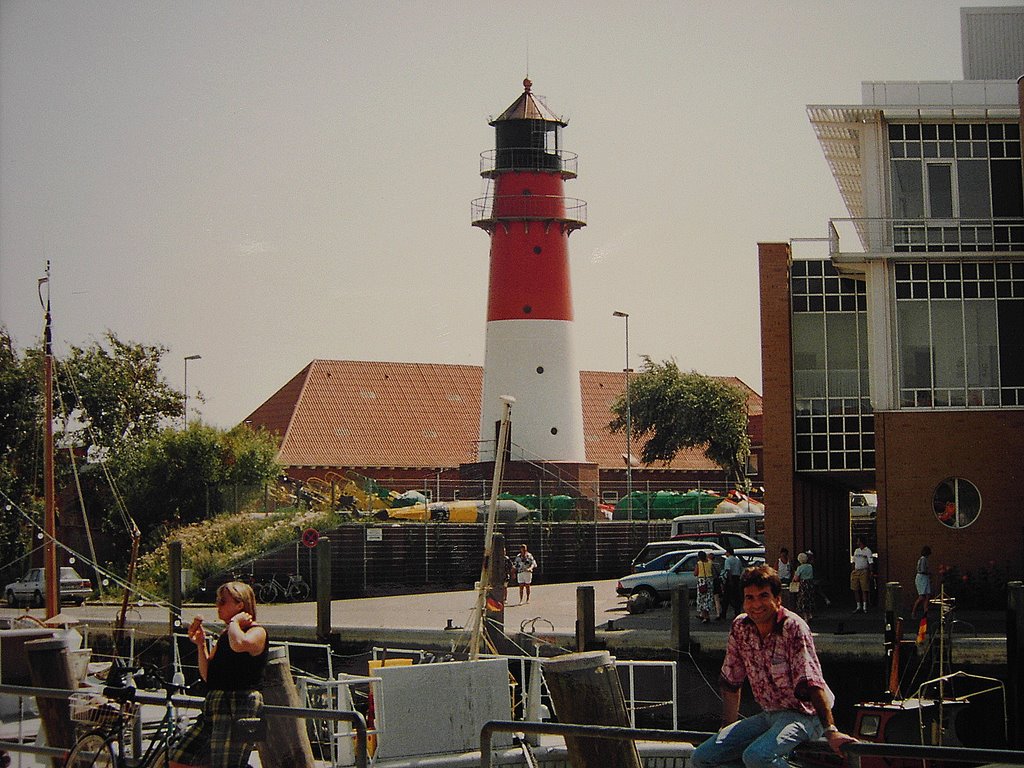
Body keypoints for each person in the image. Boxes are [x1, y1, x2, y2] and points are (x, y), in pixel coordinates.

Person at [690, 565, 856, 768]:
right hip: (769, 713)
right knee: (702, 757)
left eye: (763, 596)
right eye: (749, 598)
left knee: (756, 756)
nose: (756, 604)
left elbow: (812, 682)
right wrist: (726, 728)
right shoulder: (740, 628)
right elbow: (731, 681)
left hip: (805, 715)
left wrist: (830, 730)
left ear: (777, 600)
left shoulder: (793, 627)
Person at [170, 581, 269, 768]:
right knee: (180, 759)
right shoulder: (226, 635)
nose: (218, 606)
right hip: (214, 703)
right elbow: (209, 675)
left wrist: (235, 622)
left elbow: (239, 644)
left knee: (225, 764)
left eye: (223, 601)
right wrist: (200, 644)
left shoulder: (256, 632)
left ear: (240, 605)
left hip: (238, 702)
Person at [720, 547, 744, 620]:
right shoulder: (738, 560)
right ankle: (737, 612)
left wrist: (730, 581)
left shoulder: (727, 560)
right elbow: (741, 570)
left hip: (730, 578)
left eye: (726, 552)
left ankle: (723, 614)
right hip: (737, 578)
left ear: (728, 552)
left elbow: (728, 570)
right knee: (737, 597)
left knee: (726, 598)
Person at [850, 536, 873, 613]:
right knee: (855, 588)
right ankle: (858, 606)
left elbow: (870, 562)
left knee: (864, 589)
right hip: (856, 570)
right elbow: (853, 561)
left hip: (864, 571)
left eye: (858, 541)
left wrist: (871, 572)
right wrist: (853, 570)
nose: (857, 542)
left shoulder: (868, 551)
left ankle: (864, 606)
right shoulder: (856, 551)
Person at [694, 550, 716, 623]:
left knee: (701, 599)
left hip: (701, 582)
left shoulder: (699, 563)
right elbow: (713, 572)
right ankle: (704, 615)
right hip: (709, 581)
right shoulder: (710, 563)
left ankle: (705, 616)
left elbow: (695, 573)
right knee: (708, 598)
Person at [912, 545, 932, 618]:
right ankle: (914, 612)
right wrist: (928, 572)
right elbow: (922, 570)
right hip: (922, 578)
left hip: (925, 577)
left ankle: (925, 612)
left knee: (927, 595)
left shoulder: (925, 559)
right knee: (922, 597)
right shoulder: (923, 559)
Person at [794, 552, 815, 621]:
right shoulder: (810, 566)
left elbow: (796, 578)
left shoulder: (800, 568)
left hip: (803, 584)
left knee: (803, 600)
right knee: (810, 599)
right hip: (810, 583)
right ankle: (810, 614)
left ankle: (805, 617)